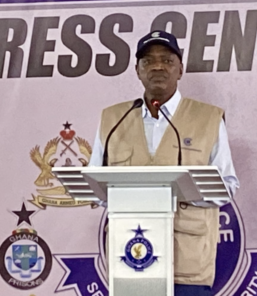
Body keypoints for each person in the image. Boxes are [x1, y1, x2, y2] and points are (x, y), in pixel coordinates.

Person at [89, 30, 239, 296]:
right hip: (129, 260)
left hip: (188, 264)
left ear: (180, 69)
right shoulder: (113, 119)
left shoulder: (208, 118)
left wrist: (180, 190)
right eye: (148, 61)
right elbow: (94, 186)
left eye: (167, 60)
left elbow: (227, 186)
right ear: (137, 70)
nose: (157, 66)